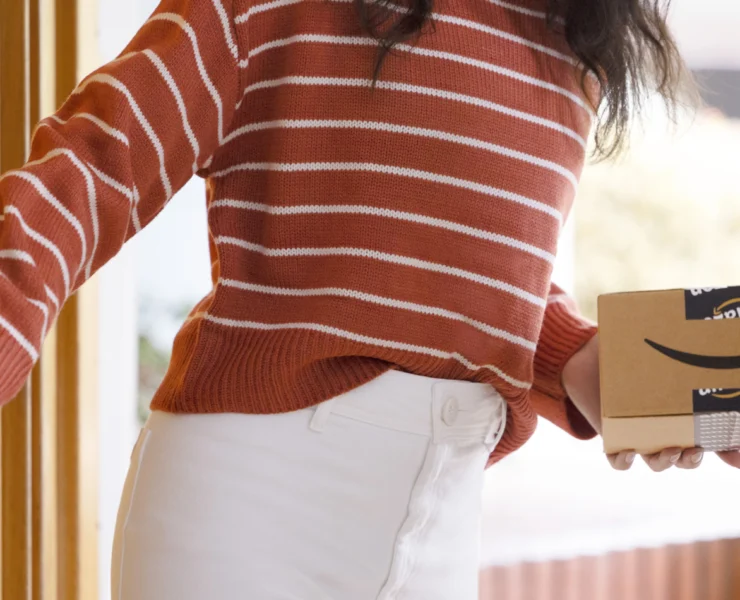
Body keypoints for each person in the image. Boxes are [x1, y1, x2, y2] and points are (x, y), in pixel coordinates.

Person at [0, 0, 737, 597]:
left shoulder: (574, 48)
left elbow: (456, 263)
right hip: (246, 508)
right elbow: (98, 161)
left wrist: (600, 370)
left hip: (440, 528)